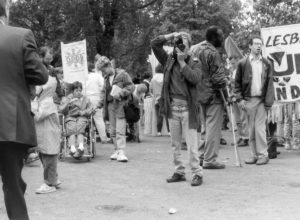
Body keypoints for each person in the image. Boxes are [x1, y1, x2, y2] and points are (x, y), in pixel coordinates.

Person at [0, 1, 48, 219]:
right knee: (12, 186)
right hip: (10, 122)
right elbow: (40, 75)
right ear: (6, 10)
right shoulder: (20, 35)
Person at [151, 31, 203, 186]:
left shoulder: (195, 62)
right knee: (175, 144)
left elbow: (194, 78)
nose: (180, 47)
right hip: (172, 108)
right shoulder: (168, 60)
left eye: (184, 45)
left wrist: (182, 63)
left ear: (189, 47)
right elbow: (154, 43)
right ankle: (179, 171)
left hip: (188, 109)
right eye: (178, 44)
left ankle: (197, 173)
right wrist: (171, 35)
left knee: (192, 145)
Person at [191, 26, 228, 169]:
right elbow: (219, 78)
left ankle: (202, 155)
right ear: (214, 37)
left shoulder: (195, 49)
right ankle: (210, 159)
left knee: (205, 127)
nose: (223, 38)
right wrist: (226, 94)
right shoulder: (213, 52)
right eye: (221, 36)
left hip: (198, 94)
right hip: (213, 95)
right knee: (213, 127)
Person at [235, 35, 275, 165]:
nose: (258, 46)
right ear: (250, 46)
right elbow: (237, 84)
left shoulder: (267, 63)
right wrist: (240, 100)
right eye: (256, 43)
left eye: (260, 44)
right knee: (251, 129)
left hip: (262, 100)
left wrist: (269, 102)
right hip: (248, 100)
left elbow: (269, 84)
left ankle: (263, 155)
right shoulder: (242, 63)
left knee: (260, 128)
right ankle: (254, 155)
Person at [97, 56, 135, 162]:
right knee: (112, 130)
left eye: (103, 70)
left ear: (108, 66)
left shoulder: (122, 74)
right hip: (110, 106)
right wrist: (99, 104)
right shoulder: (106, 78)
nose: (102, 73)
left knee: (120, 129)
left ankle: (121, 151)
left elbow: (131, 87)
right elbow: (104, 92)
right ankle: (116, 150)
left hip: (121, 105)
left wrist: (121, 93)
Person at [31, 76, 61, 194]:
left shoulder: (47, 101)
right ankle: (54, 178)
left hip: (49, 135)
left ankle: (49, 183)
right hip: (45, 135)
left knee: (49, 159)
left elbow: (37, 116)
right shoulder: (43, 100)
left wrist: (31, 105)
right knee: (45, 157)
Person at [59, 81, 93, 158]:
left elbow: (91, 108)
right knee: (72, 128)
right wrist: (68, 102)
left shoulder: (85, 99)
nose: (79, 92)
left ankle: (81, 148)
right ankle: (73, 148)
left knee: (80, 127)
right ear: (72, 91)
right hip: (70, 117)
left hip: (82, 116)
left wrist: (84, 112)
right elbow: (61, 110)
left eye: (80, 90)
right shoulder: (67, 98)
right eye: (76, 90)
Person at [85, 61, 111, 143]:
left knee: (86, 118)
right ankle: (104, 138)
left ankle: (87, 136)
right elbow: (103, 86)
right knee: (98, 119)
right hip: (96, 98)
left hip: (85, 99)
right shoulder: (97, 76)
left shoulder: (82, 77)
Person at [229, 56, 249, 147]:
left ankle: (246, 138)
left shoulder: (242, 71)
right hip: (233, 97)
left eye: (233, 63)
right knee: (238, 120)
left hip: (240, 97)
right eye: (230, 63)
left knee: (243, 118)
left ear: (238, 61)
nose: (231, 65)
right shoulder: (232, 72)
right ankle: (241, 136)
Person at [150, 63, 170, 136]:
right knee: (168, 115)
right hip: (165, 98)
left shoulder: (153, 79)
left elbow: (151, 90)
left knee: (159, 116)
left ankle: (159, 131)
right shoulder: (165, 77)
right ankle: (169, 131)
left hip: (156, 99)